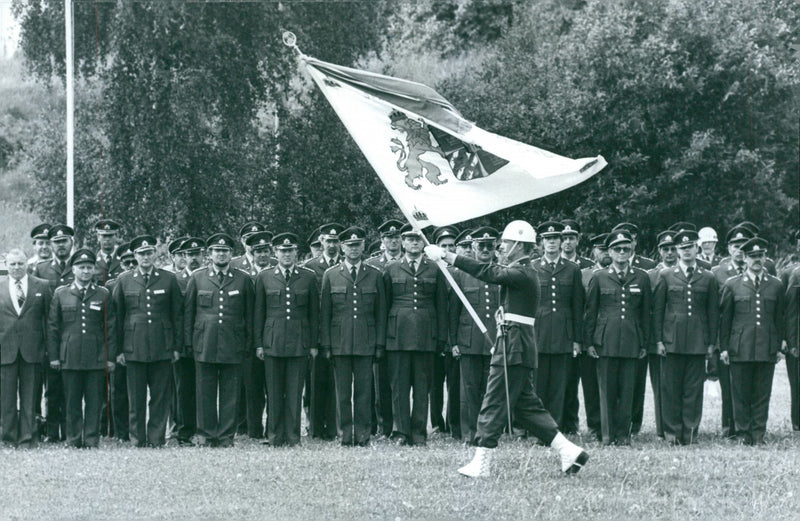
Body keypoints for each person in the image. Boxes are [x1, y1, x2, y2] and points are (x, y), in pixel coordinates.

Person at [426, 220, 588, 477]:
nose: (501, 246)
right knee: (526, 406)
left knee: (493, 401)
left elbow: (488, 272)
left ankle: (482, 462)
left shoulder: (523, 271)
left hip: (514, 344)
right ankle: (568, 451)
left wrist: (447, 255)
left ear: (518, 246)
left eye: (506, 242)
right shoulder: (522, 270)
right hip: (513, 342)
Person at [112, 235, 183, 447]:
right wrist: (119, 350)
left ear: (155, 254)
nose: (146, 257)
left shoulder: (168, 279)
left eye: (149, 252)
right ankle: (137, 438)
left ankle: (156, 437)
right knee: (136, 397)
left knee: (160, 397)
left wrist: (177, 346)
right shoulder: (124, 280)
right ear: (134, 256)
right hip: (133, 346)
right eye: (141, 254)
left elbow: (177, 315)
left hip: (163, 345)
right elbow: (117, 317)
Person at [184, 233, 254, 447]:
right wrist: (189, 342)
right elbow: (189, 313)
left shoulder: (243, 278)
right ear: (210, 254)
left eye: (225, 251)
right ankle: (206, 434)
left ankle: (225, 436)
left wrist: (248, 342)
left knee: (230, 392)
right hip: (204, 343)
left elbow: (249, 314)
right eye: (217, 250)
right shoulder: (197, 277)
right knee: (204, 391)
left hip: (233, 343)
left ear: (231, 254)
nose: (221, 254)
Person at [319, 226, 387, 446]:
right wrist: (326, 345)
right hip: (340, 343)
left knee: (364, 392)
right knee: (343, 393)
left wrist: (379, 344)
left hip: (366, 343)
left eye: (357, 245)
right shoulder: (331, 275)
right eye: (349, 245)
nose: (354, 249)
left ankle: (363, 434)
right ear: (342, 247)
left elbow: (381, 313)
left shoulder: (375, 274)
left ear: (364, 246)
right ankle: (345, 434)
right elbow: (326, 313)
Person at [584, 230, 653, 445]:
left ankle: (624, 435)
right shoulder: (599, 277)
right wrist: (589, 342)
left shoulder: (641, 277)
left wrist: (644, 342)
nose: (622, 253)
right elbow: (591, 312)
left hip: (632, 341)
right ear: (610, 252)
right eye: (617, 249)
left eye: (626, 249)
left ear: (631, 250)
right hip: (605, 340)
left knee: (628, 390)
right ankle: (607, 435)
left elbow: (645, 313)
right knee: (606, 390)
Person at [383, 224, 448, 446]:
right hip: (398, 336)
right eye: (409, 239)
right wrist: (385, 338)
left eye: (418, 239)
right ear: (402, 242)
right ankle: (401, 432)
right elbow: (385, 305)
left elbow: (441, 306)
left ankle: (419, 432)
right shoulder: (391, 269)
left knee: (422, 387)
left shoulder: (435, 268)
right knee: (399, 388)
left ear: (424, 243)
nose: (413, 243)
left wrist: (440, 338)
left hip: (425, 336)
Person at [652, 230, 719, 445]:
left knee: (693, 390)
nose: (686, 251)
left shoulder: (707, 277)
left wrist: (711, 343)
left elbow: (712, 313)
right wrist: (659, 340)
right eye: (682, 248)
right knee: (670, 390)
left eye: (689, 247)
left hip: (698, 342)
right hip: (672, 341)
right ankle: (672, 434)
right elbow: (659, 310)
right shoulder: (666, 275)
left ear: (696, 248)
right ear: (677, 252)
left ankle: (690, 433)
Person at [254, 232, 319, 447]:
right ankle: (274, 435)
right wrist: (259, 343)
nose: (287, 254)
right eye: (282, 251)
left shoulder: (308, 276)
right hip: (272, 341)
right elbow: (259, 313)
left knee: (294, 392)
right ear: (276, 253)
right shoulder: (264, 276)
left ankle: (293, 436)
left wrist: (312, 344)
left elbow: (313, 314)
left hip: (299, 342)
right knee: (273, 392)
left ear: (296, 252)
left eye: (290, 250)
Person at [719, 237, 785, 445]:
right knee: (740, 393)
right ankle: (742, 434)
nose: (757, 260)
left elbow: (779, 318)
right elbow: (725, 320)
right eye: (752, 256)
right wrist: (724, 348)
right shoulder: (733, 285)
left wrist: (779, 345)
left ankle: (758, 434)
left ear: (765, 257)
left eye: (760, 256)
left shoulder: (775, 285)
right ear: (745, 258)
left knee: (762, 392)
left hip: (766, 347)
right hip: (740, 347)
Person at [48, 249, 116, 448]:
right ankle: (74, 438)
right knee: (72, 401)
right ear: (73, 269)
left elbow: (110, 328)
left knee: (95, 401)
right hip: (69, 356)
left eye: (89, 267)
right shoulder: (61, 294)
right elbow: (53, 327)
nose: (86, 271)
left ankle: (91, 438)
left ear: (95, 270)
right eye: (81, 267)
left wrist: (110, 357)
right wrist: (54, 356)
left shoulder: (103, 294)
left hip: (96, 355)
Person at [448, 226, 500, 445]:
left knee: (491, 391)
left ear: (495, 247)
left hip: (493, 341)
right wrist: (453, 342)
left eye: (490, 246)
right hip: (468, 340)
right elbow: (453, 311)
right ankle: (469, 433)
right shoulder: (461, 274)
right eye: (481, 246)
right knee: (468, 390)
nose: (485, 250)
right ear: (474, 248)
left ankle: (488, 433)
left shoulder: (501, 273)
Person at [533, 221, 585, 430]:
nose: (552, 243)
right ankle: (538, 428)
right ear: (542, 243)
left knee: (560, 384)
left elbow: (577, 307)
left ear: (562, 242)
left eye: (555, 238)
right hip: (539, 333)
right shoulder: (533, 267)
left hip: (564, 334)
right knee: (538, 384)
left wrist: (577, 339)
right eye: (547, 239)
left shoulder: (572, 269)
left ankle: (555, 428)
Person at [0, 249, 51, 447]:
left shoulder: (42, 286)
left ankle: (28, 438)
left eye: (20, 263)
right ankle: (7, 437)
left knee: (30, 397)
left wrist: (48, 350)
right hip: (5, 351)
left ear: (27, 264)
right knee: (6, 397)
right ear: (6, 265)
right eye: (12, 264)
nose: (16, 267)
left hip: (33, 351)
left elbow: (49, 320)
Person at [32, 224, 76, 442]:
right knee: (52, 388)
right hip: (49, 336)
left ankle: (69, 431)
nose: (60, 246)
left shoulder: (80, 267)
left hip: (72, 336)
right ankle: (51, 431)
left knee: (70, 387)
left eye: (64, 241)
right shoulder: (41, 270)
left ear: (71, 243)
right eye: (56, 242)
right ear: (51, 245)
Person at [710, 225, 752, 437]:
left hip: (751, 336)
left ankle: (750, 425)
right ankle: (729, 427)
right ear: (729, 249)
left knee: (750, 385)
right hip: (726, 336)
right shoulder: (717, 272)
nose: (740, 250)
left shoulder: (763, 269)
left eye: (744, 245)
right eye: (736, 245)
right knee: (728, 386)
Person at [303, 223, 343, 441]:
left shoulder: (345, 266)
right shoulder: (310, 267)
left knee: (338, 383)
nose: (332, 245)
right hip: (317, 334)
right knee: (315, 382)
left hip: (339, 332)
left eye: (336, 241)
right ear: (321, 242)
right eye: (328, 241)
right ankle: (315, 427)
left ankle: (335, 426)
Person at [366, 219, 404, 437]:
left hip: (401, 331)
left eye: (397, 237)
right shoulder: (373, 264)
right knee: (378, 382)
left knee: (398, 381)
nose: (393, 241)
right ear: (382, 241)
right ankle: (381, 425)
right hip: (379, 329)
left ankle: (399, 424)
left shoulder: (410, 261)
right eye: (389, 237)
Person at [241, 230, 275, 440]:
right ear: (251, 254)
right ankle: (253, 429)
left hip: (271, 338)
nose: (262, 255)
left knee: (272, 387)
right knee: (252, 389)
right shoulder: (244, 275)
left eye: (265, 251)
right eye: (258, 252)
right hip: (248, 340)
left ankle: (272, 426)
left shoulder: (275, 274)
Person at [172, 237, 204, 445]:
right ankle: (183, 430)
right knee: (183, 389)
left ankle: (202, 427)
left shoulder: (206, 278)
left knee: (203, 388)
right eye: (189, 255)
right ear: (183, 257)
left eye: (197, 255)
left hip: (203, 342)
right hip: (183, 345)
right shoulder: (175, 280)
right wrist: (178, 343)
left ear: (203, 256)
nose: (193, 259)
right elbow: (175, 314)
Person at [430, 225, 460, 437]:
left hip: (454, 337)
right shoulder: (430, 271)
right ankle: (437, 424)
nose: (446, 249)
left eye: (450, 246)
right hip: (434, 337)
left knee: (455, 384)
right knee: (434, 385)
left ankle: (453, 422)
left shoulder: (461, 272)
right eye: (443, 246)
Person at [105, 241, 135, 442]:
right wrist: (115, 350)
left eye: (134, 261)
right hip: (120, 344)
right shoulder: (111, 285)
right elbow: (111, 322)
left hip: (140, 343)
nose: (131, 265)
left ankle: (135, 429)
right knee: (119, 390)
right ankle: (120, 432)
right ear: (121, 264)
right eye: (127, 262)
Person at [94, 219, 123, 285]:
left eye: (110, 235)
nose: (107, 239)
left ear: (116, 236)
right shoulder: (93, 262)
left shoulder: (124, 260)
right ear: (98, 237)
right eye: (104, 236)